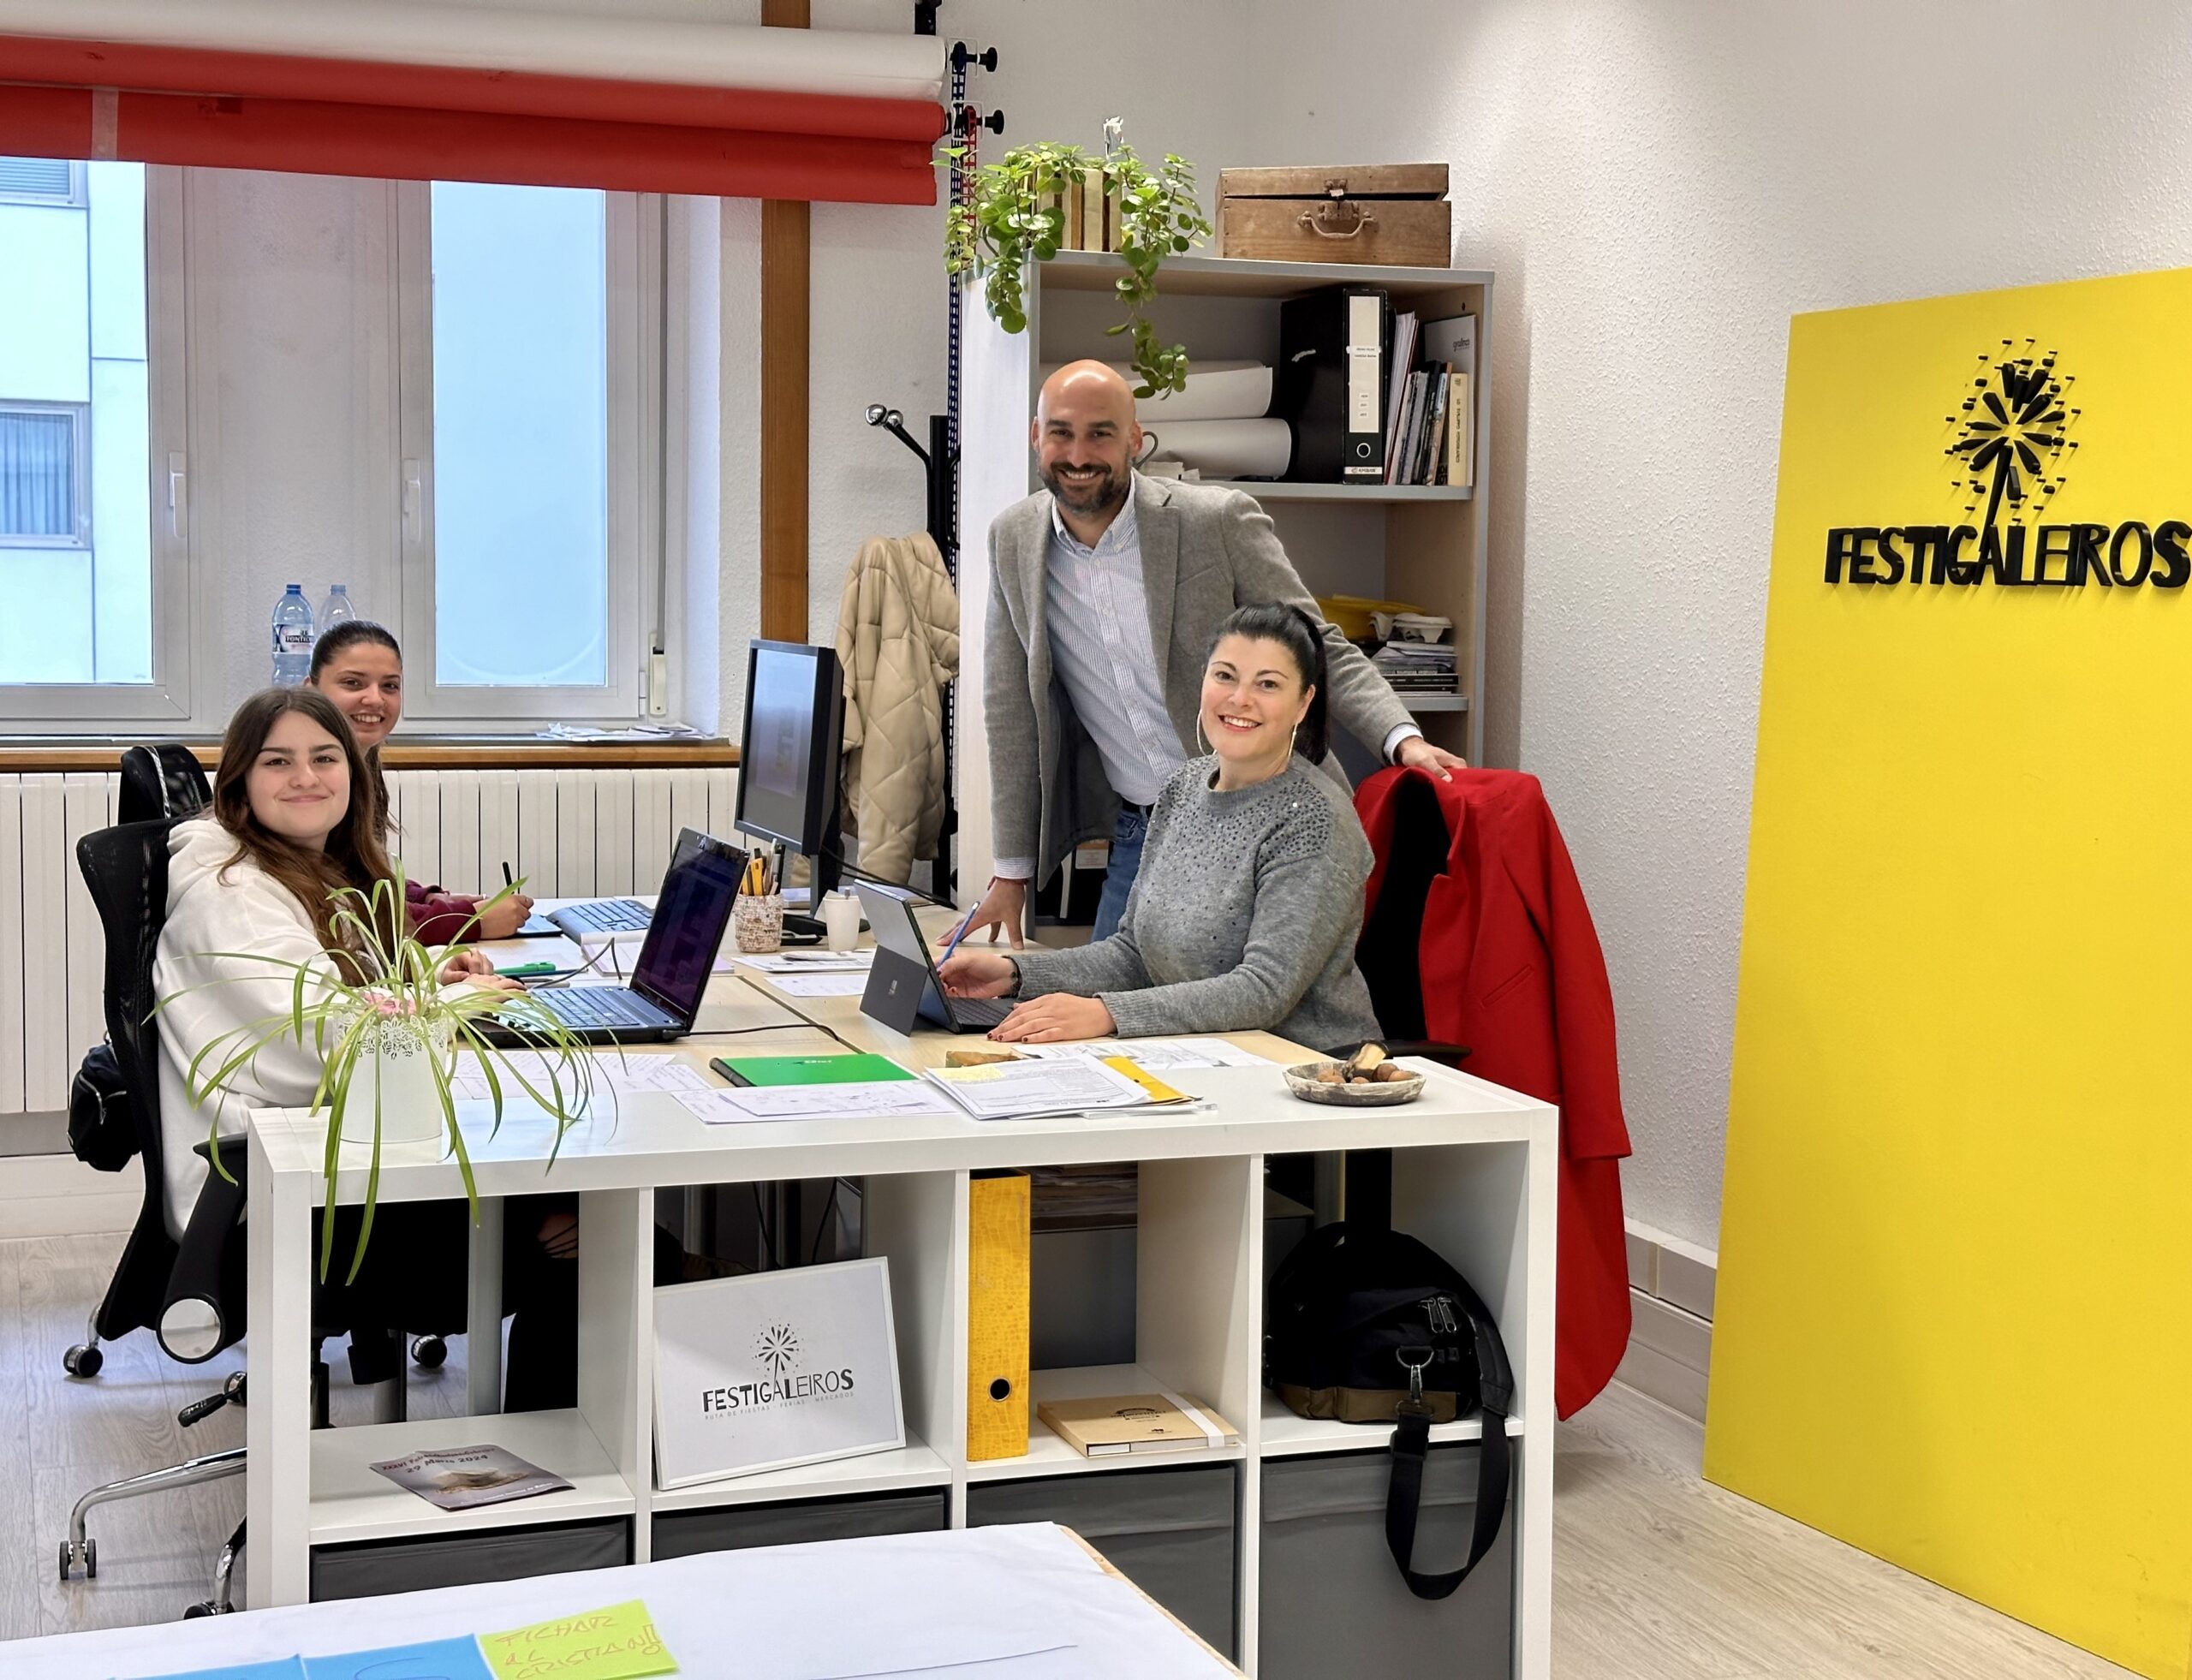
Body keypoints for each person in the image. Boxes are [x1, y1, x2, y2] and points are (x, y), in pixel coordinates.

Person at [152, 688, 581, 1401]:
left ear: (353, 773)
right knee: (599, 1235)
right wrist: (459, 1002)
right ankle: (555, 1468)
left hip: (319, 1165)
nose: (306, 778)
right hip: (289, 1204)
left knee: (576, 1200)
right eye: (278, 762)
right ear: (239, 782)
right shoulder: (233, 899)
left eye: (325, 758)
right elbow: (329, 1039)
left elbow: (330, 993)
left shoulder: (295, 869)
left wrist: (427, 973)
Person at [968, 359, 1467, 947]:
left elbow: (1316, 643)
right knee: (1101, 993)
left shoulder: (1214, 521)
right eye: (1061, 432)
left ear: (1134, 439)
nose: (1078, 454)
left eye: (1100, 433)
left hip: (1267, 818)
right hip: (1144, 831)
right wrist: (1012, 873)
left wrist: (1401, 738)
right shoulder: (1014, 540)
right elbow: (1011, 709)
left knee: (1259, 995)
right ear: (1036, 436)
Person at [939, 605, 1385, 1051]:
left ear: (1303, 703)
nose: (1240, 699)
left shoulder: (1312, 819)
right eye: (1225, 676)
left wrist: (1108, 1013)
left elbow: (1264, 990)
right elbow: (1133, 953)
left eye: (1267, 684)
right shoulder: (1184, 787)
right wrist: (1015, 974)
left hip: (1303, 1064)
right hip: (1198, 1053)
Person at [307, 621, 535, 942]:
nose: (374, 699)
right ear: (311, 690)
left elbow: (358, 875)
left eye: (390, 686)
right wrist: (469, 921)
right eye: (353, 683)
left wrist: (424, 897)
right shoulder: (306, 781)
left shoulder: (363, 764)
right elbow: (347, 913)